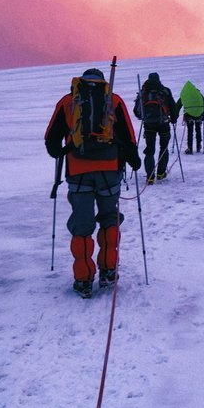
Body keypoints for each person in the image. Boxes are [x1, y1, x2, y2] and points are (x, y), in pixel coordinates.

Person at [44, 68, 140, 298]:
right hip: (110, 172)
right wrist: (134, 161)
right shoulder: (113, 100)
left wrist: (68, 149)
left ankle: (83, 279)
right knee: (109, 220)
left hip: (78, 174)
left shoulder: (68, 102)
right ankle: (108, 271)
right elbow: (128, 138)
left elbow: (51, 143)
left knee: (82, 226)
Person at [134, 72, 177, 184]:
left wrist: (143, 117)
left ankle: (150, 176)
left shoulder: (144, 92)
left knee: (150, 149)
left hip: (149, 124)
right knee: (164, 147)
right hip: (163, 123)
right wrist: (174, 118)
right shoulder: (165, 91)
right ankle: (161, 173)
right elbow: (173, 107)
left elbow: (136, 111)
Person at [176, 80, 204, 154]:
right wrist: (203, 115)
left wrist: (175, 115)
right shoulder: (198, 93)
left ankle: (190, 148)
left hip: (189, 114)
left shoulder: (185, 94)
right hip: (199, 114)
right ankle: (198, 146)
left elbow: (178, 105)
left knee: (190, 131)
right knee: (198, 129)